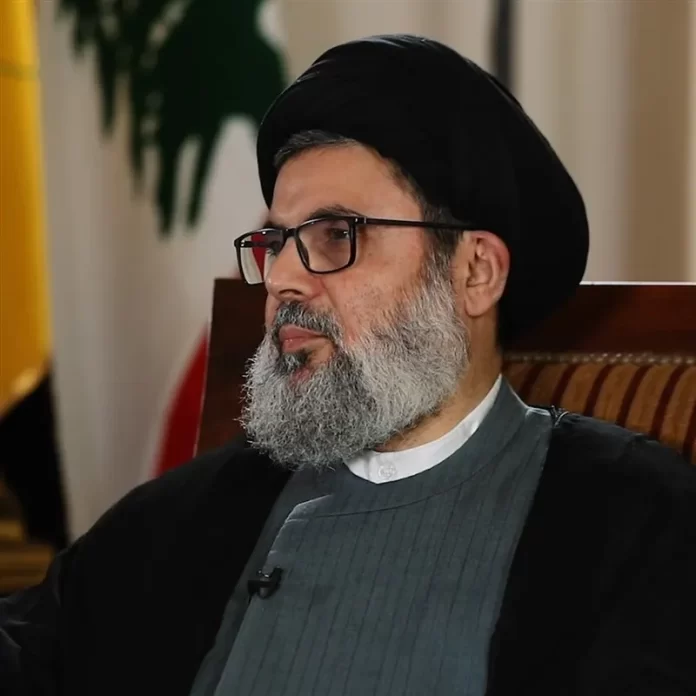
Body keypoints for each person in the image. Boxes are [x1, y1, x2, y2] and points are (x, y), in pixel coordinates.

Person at [1, 34, 695, 696]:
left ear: (476, 272)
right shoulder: (195, 513)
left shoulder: (632, 519)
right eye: (275, 242)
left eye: (337, 234)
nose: (281, 279)